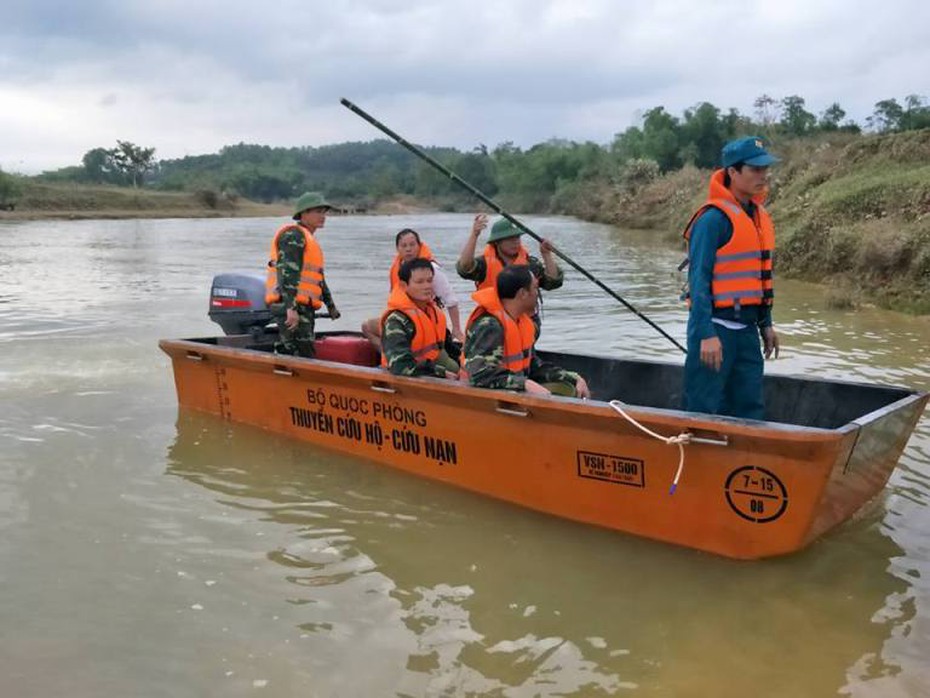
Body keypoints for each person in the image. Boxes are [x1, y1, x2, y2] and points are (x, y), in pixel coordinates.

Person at [682, 136, 781, 420]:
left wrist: (767, 324)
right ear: (733, 173)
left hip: (748, 331)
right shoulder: (712, 220)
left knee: (750, 409)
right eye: (755, 169)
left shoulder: (758, 217)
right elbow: (698, 282)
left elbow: (759, 278)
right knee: (703, 408)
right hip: (716, 329)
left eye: (764, 169)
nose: (762, 176)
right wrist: (705, 335)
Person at [464, 265, 590, 398]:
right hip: (484, 395)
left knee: (566, 387)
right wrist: (525, 383)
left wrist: (573, 378)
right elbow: (479, 375)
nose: (538, 293)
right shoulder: (490, 325)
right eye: (535, 288)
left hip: (512, 388)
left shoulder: (521, 322)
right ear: (523, 294)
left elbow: (534, 366)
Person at [265, 191, 341, 358]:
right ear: (304, 213)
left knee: (299, 351)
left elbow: (318, 278)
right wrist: (291, 309)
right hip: (292, 307)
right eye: (318, 211)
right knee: (301, 354)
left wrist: (331, 305)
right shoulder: (294, 235)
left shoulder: (307, 239)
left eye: (324, 212)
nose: (323, 216)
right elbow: (287, 273)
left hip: (302, 307)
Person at [361, 228, 463, 349]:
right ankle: (388, 356)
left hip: (424, 322)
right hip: (402, 318)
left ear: (419, 246)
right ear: (397, 249)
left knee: (372, 327)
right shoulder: (398, 268)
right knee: (367, 326)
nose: (408, 249)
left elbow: (450, 299)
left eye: (412, 245)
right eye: (403, 246)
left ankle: (395, 356)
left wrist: (456, 329)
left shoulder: (431, 269)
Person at [456, 215, 563, 328]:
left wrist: (546, 255)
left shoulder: (531, 263)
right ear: (497, 242)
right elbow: (465, 268)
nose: (515, 242)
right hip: (493, 323)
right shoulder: (484, 264)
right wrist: (474, 235)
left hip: (526, 322)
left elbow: (553, 282)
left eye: (517, 237)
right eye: (510, 238)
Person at [380, 258, 461, 379]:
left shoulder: (434, 313)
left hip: (432, 365)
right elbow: (400, 366)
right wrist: (440, 373)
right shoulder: (396, 321)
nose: (427, 286)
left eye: (429, 281)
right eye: (420, 282)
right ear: (404, 286)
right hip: (406, 379)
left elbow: (449, 347)